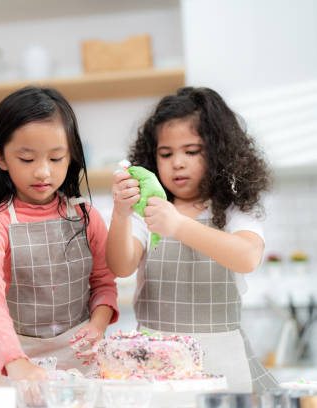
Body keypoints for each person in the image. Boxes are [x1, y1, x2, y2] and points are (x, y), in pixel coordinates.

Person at [107, 86, 278, 392]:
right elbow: (120, 266)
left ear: (218, 151)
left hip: (222, 363)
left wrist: (178, 226)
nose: (178, 163)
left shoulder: (235, 207)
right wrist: (120, 214)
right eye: (166, 153)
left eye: (191, 151)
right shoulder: (149, 209)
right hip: (154, 366)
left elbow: (247, 257)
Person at [0, 86, 119, 382]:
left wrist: (98, 325)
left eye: (55, 159)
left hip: (80, 361)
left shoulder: (86, 216)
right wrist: (16, 362)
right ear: (0, 158)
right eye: (27, 159)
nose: (42, 172)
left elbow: (104, 284)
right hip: (16, 357)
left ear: (71, 156)